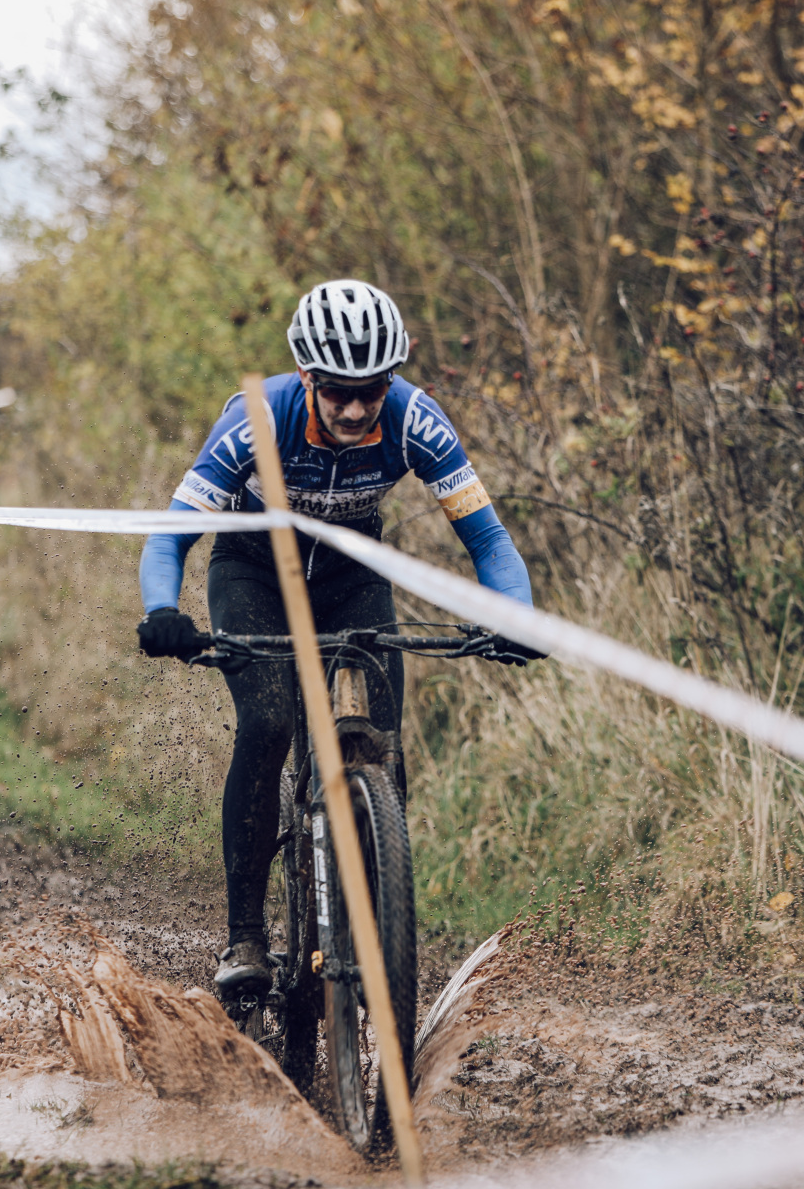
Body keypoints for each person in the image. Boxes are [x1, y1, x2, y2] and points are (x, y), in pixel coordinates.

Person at [135, 278, 542, 998]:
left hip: (352, 575)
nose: (356, 409)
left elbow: (488, 539)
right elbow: (170, 537)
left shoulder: (416, 419)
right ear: (307, 377)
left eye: (371, 390)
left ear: (391, 380)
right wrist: (162, 609)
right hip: (254, 572)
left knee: (381, 739)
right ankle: (245, 938)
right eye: (337, 392)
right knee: (268, 723)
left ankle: (377, 909)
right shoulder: (257, 419)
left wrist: (516, 614)